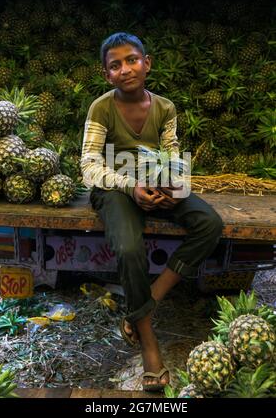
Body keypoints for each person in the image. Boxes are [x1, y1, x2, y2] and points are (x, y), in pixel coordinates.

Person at [81, 32, 223, 392]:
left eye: (132, 60)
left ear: (148, 63)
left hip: (155, 181)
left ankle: (147, 302)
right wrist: (131, 187)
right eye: (115, 65)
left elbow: (172, 153)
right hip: (115, 187)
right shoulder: (101, 107)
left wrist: (170, 186)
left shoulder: (165, 107)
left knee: (209, 223)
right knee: (129, 248)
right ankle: (148, 345)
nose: (125, 69)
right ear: (106, 74)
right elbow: (88, 164)